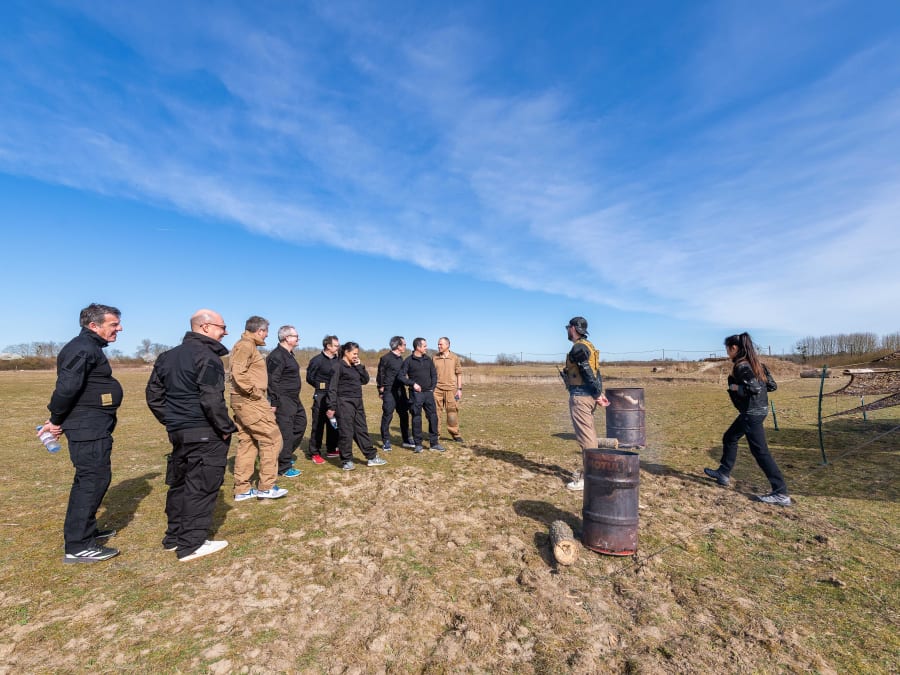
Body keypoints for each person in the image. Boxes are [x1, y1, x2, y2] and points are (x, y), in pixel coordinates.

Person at [145, 309, 237, 561]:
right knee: (202, 485)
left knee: (181, 483)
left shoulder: (167, 357)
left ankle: (174, 537)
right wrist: (225, 428)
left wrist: (174, 421)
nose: (225, 332)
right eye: (222, 326)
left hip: (179, 432)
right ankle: (191, 544)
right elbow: (211, 399)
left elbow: (154, 396)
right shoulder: (207, 357)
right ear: (205, 327)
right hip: (204, 432)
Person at [41, 303, 124, 563]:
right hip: (87, 428)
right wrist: (55, 420)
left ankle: (86, 531)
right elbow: (66, 389)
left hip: (92, 426)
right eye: (113, 324)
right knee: (91, 482)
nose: (119, 328)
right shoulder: (82, 349)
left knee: (92, 480)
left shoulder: (89, 348)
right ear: (93, 325)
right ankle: (77, 546)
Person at [704, 332, 791, 505]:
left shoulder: (742, 366)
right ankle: (723, 473)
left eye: (727, 349)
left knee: (761, 452)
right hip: (758, 411)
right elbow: (772, 386)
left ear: (734, 348)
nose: (727, 352)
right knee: (730, 437)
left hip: (752, 414)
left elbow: (755, 389)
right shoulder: (757, 364)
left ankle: (781, 493)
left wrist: (736, 387)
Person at [230, 316, 287, 501]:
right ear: (260, 331)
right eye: (266, 331)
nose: (267, 335)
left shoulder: (247, 345)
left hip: (245, 400)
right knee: (272, 438)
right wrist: (255, 393)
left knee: (248, 441)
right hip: (250, 400)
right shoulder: (246, 345)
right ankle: (266, 487)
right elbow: (238, 372)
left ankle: (243, 489)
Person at [562, 317, 609, 491]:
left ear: (573, 328)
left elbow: (588, 373)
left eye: (568, 327)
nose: (567, 330)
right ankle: (594, 473)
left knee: (587, 439)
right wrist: (599, 393)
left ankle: (590, 478)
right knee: (589, 435)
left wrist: (597, 393)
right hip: (588, 395)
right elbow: (596, 373)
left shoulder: (578, 348)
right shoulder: (589, 346)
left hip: (581, 397)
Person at [325, 342, 387, 471]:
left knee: (361, 429)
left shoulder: (355, 366)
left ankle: (371, 457)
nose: (356, 356)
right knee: (346, 432)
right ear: (346, 352)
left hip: (358, 402)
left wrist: (359, 366)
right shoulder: (337, 366)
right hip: (344, 402)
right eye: (354, 353)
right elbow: (332, 388)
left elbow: (365, 380)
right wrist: (331, 406)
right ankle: (346, 460)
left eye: (357, 354)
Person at [267, 325, 307, 478]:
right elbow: (272, 380)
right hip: (283, 399)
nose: (298, 338)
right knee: (286, 432)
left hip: (294, 399)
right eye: (296, 336)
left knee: (301, 424)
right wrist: (275, 402)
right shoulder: (277, 356)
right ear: (287, 338)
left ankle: (284, 454)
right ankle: (283, 466)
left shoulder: (289, 354)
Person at [398, 337, 445, 453]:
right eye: (424, 346)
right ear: (418, 347)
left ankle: (434, 444)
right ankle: (418, 444)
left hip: (428, 393)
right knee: (416, 418)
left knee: (433, 417)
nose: (426, 347)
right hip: (416, 395)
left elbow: (434, 374)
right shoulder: (408, 361)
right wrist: (412, 384)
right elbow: (401, 376)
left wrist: (432, 388)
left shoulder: (428, 359)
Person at [376, 336, 415, 452]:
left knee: (404, 415)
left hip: (401, 391)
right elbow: (380, 374)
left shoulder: (401, 359)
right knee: (388, 415)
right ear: (398, 346)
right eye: (404, 344)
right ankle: (386, 441)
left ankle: (406, 439)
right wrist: (380, 390)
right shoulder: (385, 358)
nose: (405, 346)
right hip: (389, 391)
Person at [306, 335, 340, 462]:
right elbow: (309, 377)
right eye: (336, 345)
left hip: (334, 396)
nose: (338, 347)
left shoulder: (338, 360)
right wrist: (322, 386)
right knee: (318, 424)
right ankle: (315, 452)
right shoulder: (317, 360)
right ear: (328, 346)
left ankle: (332, 449)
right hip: (321, 396)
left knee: (333, 423)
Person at [434, 336, 464, 443]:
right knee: (436, 413)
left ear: (447, 345)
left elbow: (459, 374)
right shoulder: (435, 358)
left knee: (452, 412)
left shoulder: (454, 357)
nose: (438, 346)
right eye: (438, 344)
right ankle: (435, 434)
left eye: (440, 344)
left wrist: (459, 389)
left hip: (451, 390)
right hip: (437, 390)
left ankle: (455, 434)